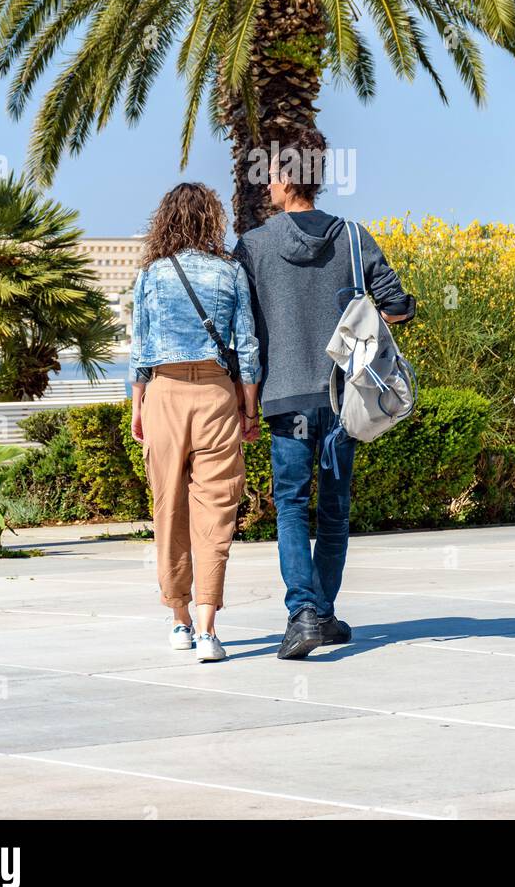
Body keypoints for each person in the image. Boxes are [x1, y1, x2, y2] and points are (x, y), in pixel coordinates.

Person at [234, 128, 415, 659]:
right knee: (334, 509)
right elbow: (397, 305)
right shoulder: (354, 238)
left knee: (291, 505)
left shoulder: (253, 246)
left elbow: (240, 325)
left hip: (284, 398)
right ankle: (324, 612)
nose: (266, 182)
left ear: (288, 179)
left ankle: (304, 614)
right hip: (343, 398)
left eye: (270, 173)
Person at [130, 182, 261, 662]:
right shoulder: (231, 273)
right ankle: (208, 629)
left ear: (165, 220)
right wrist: (248, 408)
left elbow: (140, 349)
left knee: (167, 508)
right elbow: (246, 346)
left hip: (163, 392)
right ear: (213, 220)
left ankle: (179, 619)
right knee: (217, 509)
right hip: (216, 394)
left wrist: (137, 405)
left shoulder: (152, 275)